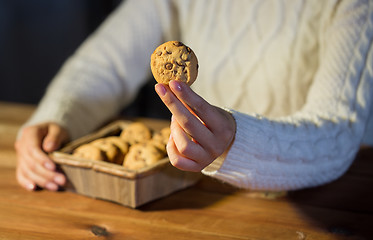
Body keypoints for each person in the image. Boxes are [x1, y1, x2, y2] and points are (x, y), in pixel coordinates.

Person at [15, 0, 373, 192]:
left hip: (326, 197)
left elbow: (338, 132)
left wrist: (238, 142)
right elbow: (101, 65)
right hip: (195, 188)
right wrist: (57, 117)